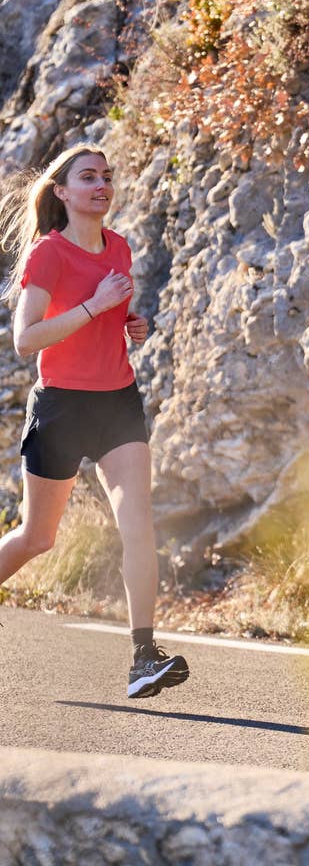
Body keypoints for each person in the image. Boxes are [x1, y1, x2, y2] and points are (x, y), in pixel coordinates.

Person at [0, 143, 189, 699]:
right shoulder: (48, 254)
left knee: (139, 523)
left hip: (116, 402)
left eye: (107, 176)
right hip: (62, 406)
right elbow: (26, 339)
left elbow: (109, 319)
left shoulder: (120, 248)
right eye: (88, 177)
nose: (102, 184)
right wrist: (95, 306)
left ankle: (143, 658)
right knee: (38, 538)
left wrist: (130, 325)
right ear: (62, 192)